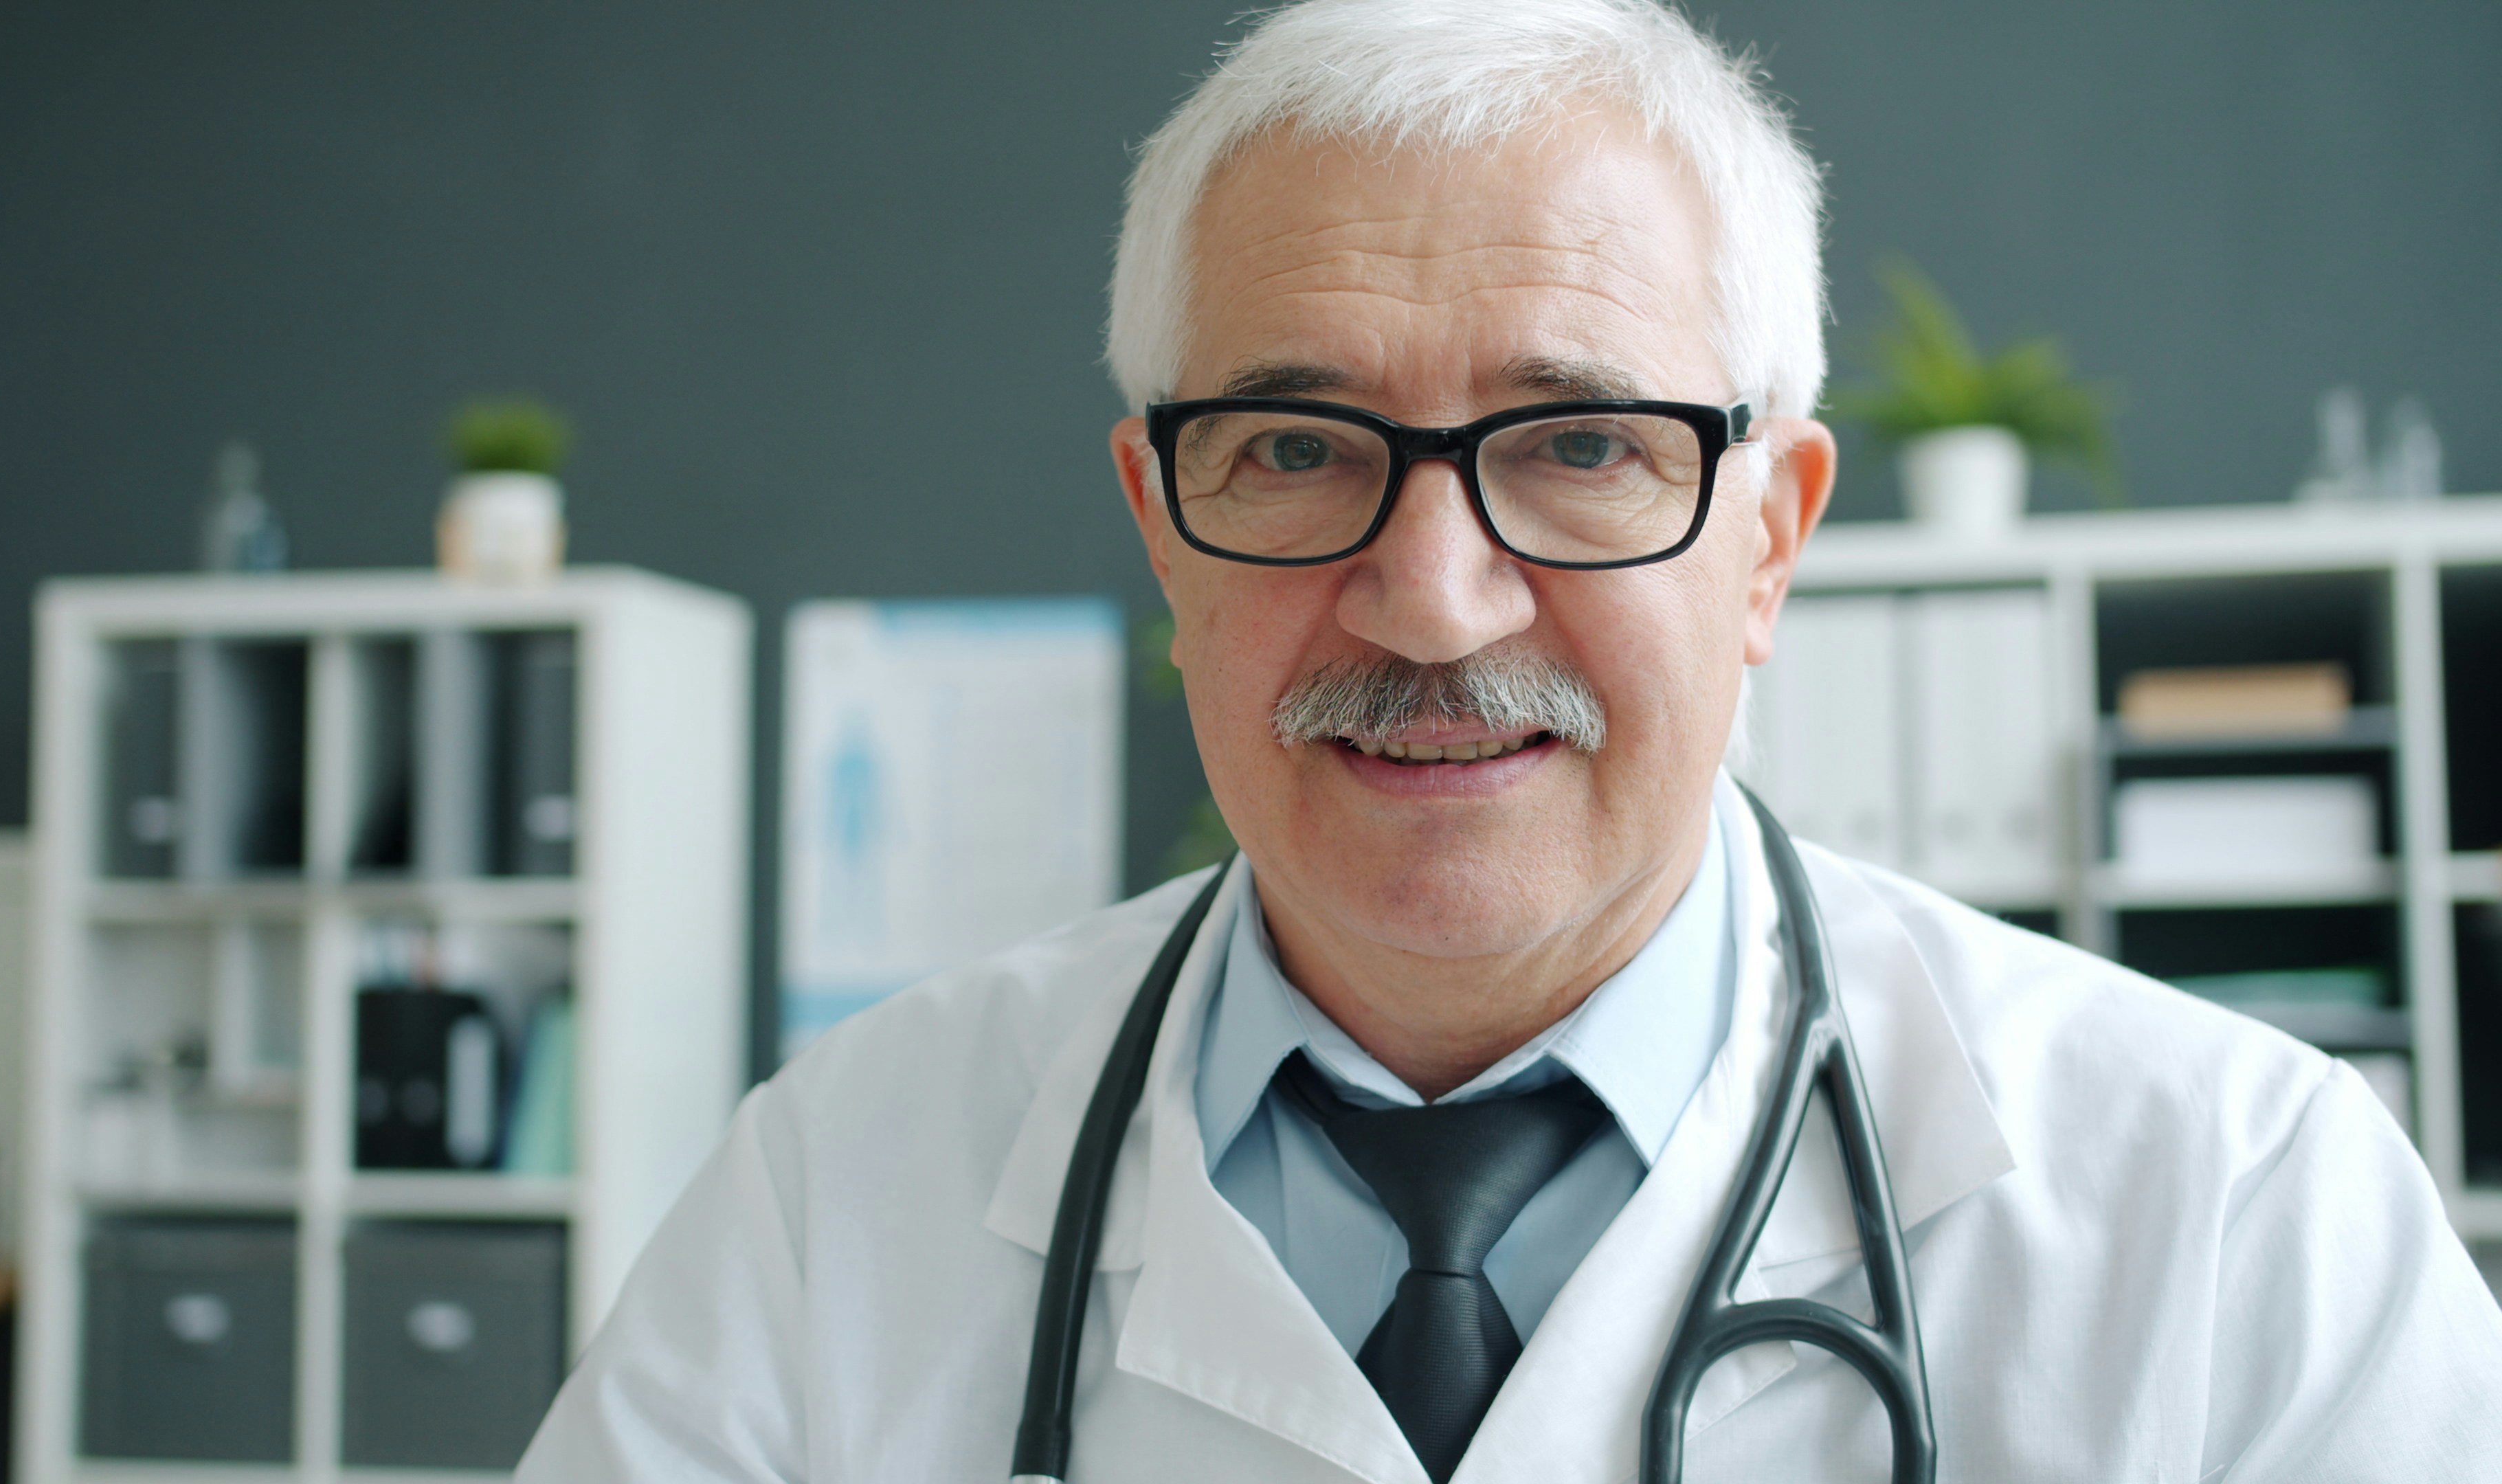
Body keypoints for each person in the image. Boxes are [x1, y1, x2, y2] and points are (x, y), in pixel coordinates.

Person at [517, 1, 2502, 1479]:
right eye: (1297, 450)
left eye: (1580, 448)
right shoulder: (820, 1209)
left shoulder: (2244, 1219)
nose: (1435, 600)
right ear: (1157, 520)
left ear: (1771, 541)